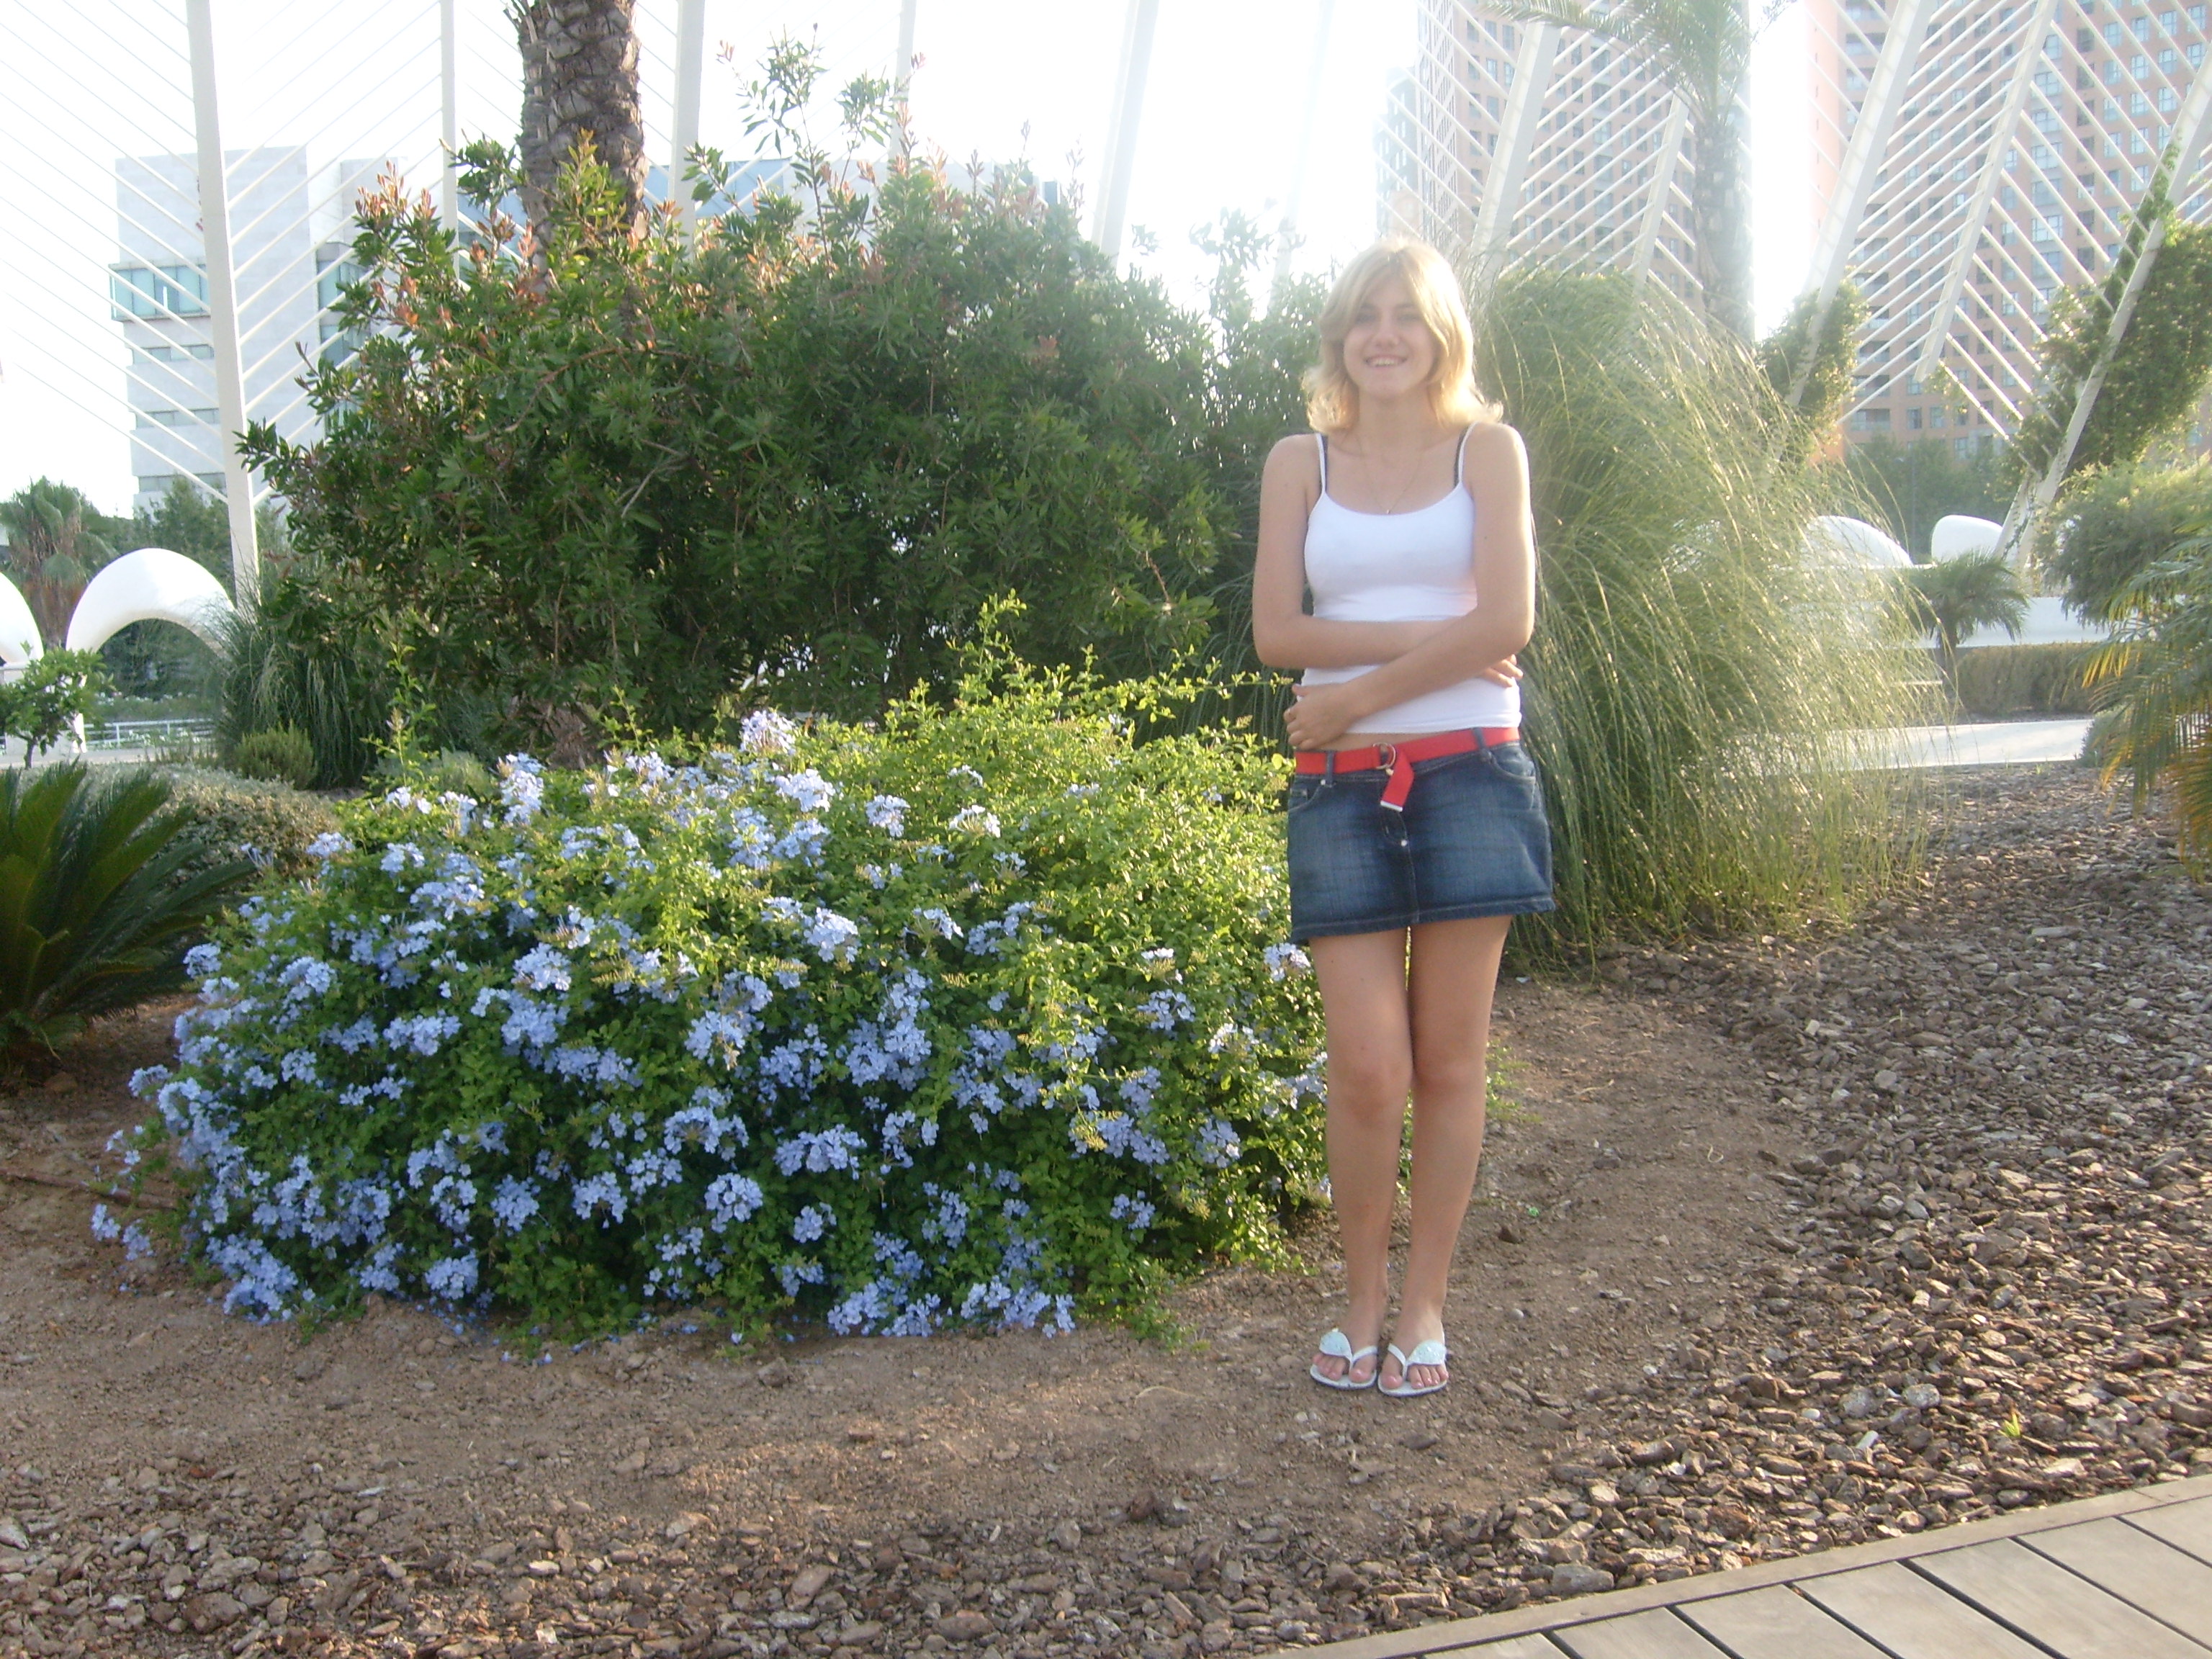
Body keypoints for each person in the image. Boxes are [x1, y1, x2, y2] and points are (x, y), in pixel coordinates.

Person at [1251, 239, 1551, 1399]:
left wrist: (1354, 694)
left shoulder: (1488, 453)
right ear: (1341, 337)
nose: (1386, 334)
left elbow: (1512, 621)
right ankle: (1362, 1304)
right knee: (1370, 1068)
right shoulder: (1300, 463)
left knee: (1452, 1060)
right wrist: (1435, 642)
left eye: (1408, 316)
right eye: (1366, 315)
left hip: (1471, 770)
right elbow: (1278, 633)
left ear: (1441, 335)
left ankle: (1424, 1306)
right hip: (1340, 785)